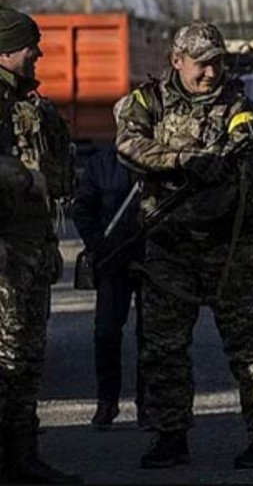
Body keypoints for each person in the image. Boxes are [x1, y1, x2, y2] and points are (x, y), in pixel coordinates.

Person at [116, 20, 253, 470]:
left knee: (251, 344)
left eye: (216, 63)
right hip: (169, 247)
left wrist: (223, 161)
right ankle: (170, 435)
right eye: (201, 64)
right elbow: (128, 144)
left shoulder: (237, 104)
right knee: (164, 347)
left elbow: (244, 139)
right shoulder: (146, 101)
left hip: (229, 246)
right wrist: (181, 160)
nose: (210, 73)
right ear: (177, 61)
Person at [0, 6, 81, 483]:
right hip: (6, 255)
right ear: (6, 50)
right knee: (7, 358)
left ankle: (22, 457)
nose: (39, 53)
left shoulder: (30, 104)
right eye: (31, 45)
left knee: (27, 358)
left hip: (32, 250)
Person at [71, 122, 146, 431]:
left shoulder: (156, 161)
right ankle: (107, 401)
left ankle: (150, 404)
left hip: (150, 259)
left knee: (152, 336)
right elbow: (83, 209)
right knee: (106, 334)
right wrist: (99, 245)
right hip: (112, 261)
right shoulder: (101, 163)